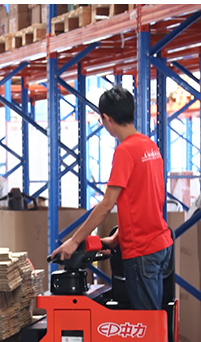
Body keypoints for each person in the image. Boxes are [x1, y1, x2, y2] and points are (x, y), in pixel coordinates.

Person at [49, 86, 174, 311]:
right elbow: (148, 196)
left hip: (142, 250)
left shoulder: (125, 151)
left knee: (146, 325)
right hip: (159, 243)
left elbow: (107, 204)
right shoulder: (149, 146)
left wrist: (75, 241)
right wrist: (119, 236)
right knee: (154, 319)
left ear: (107, 118)